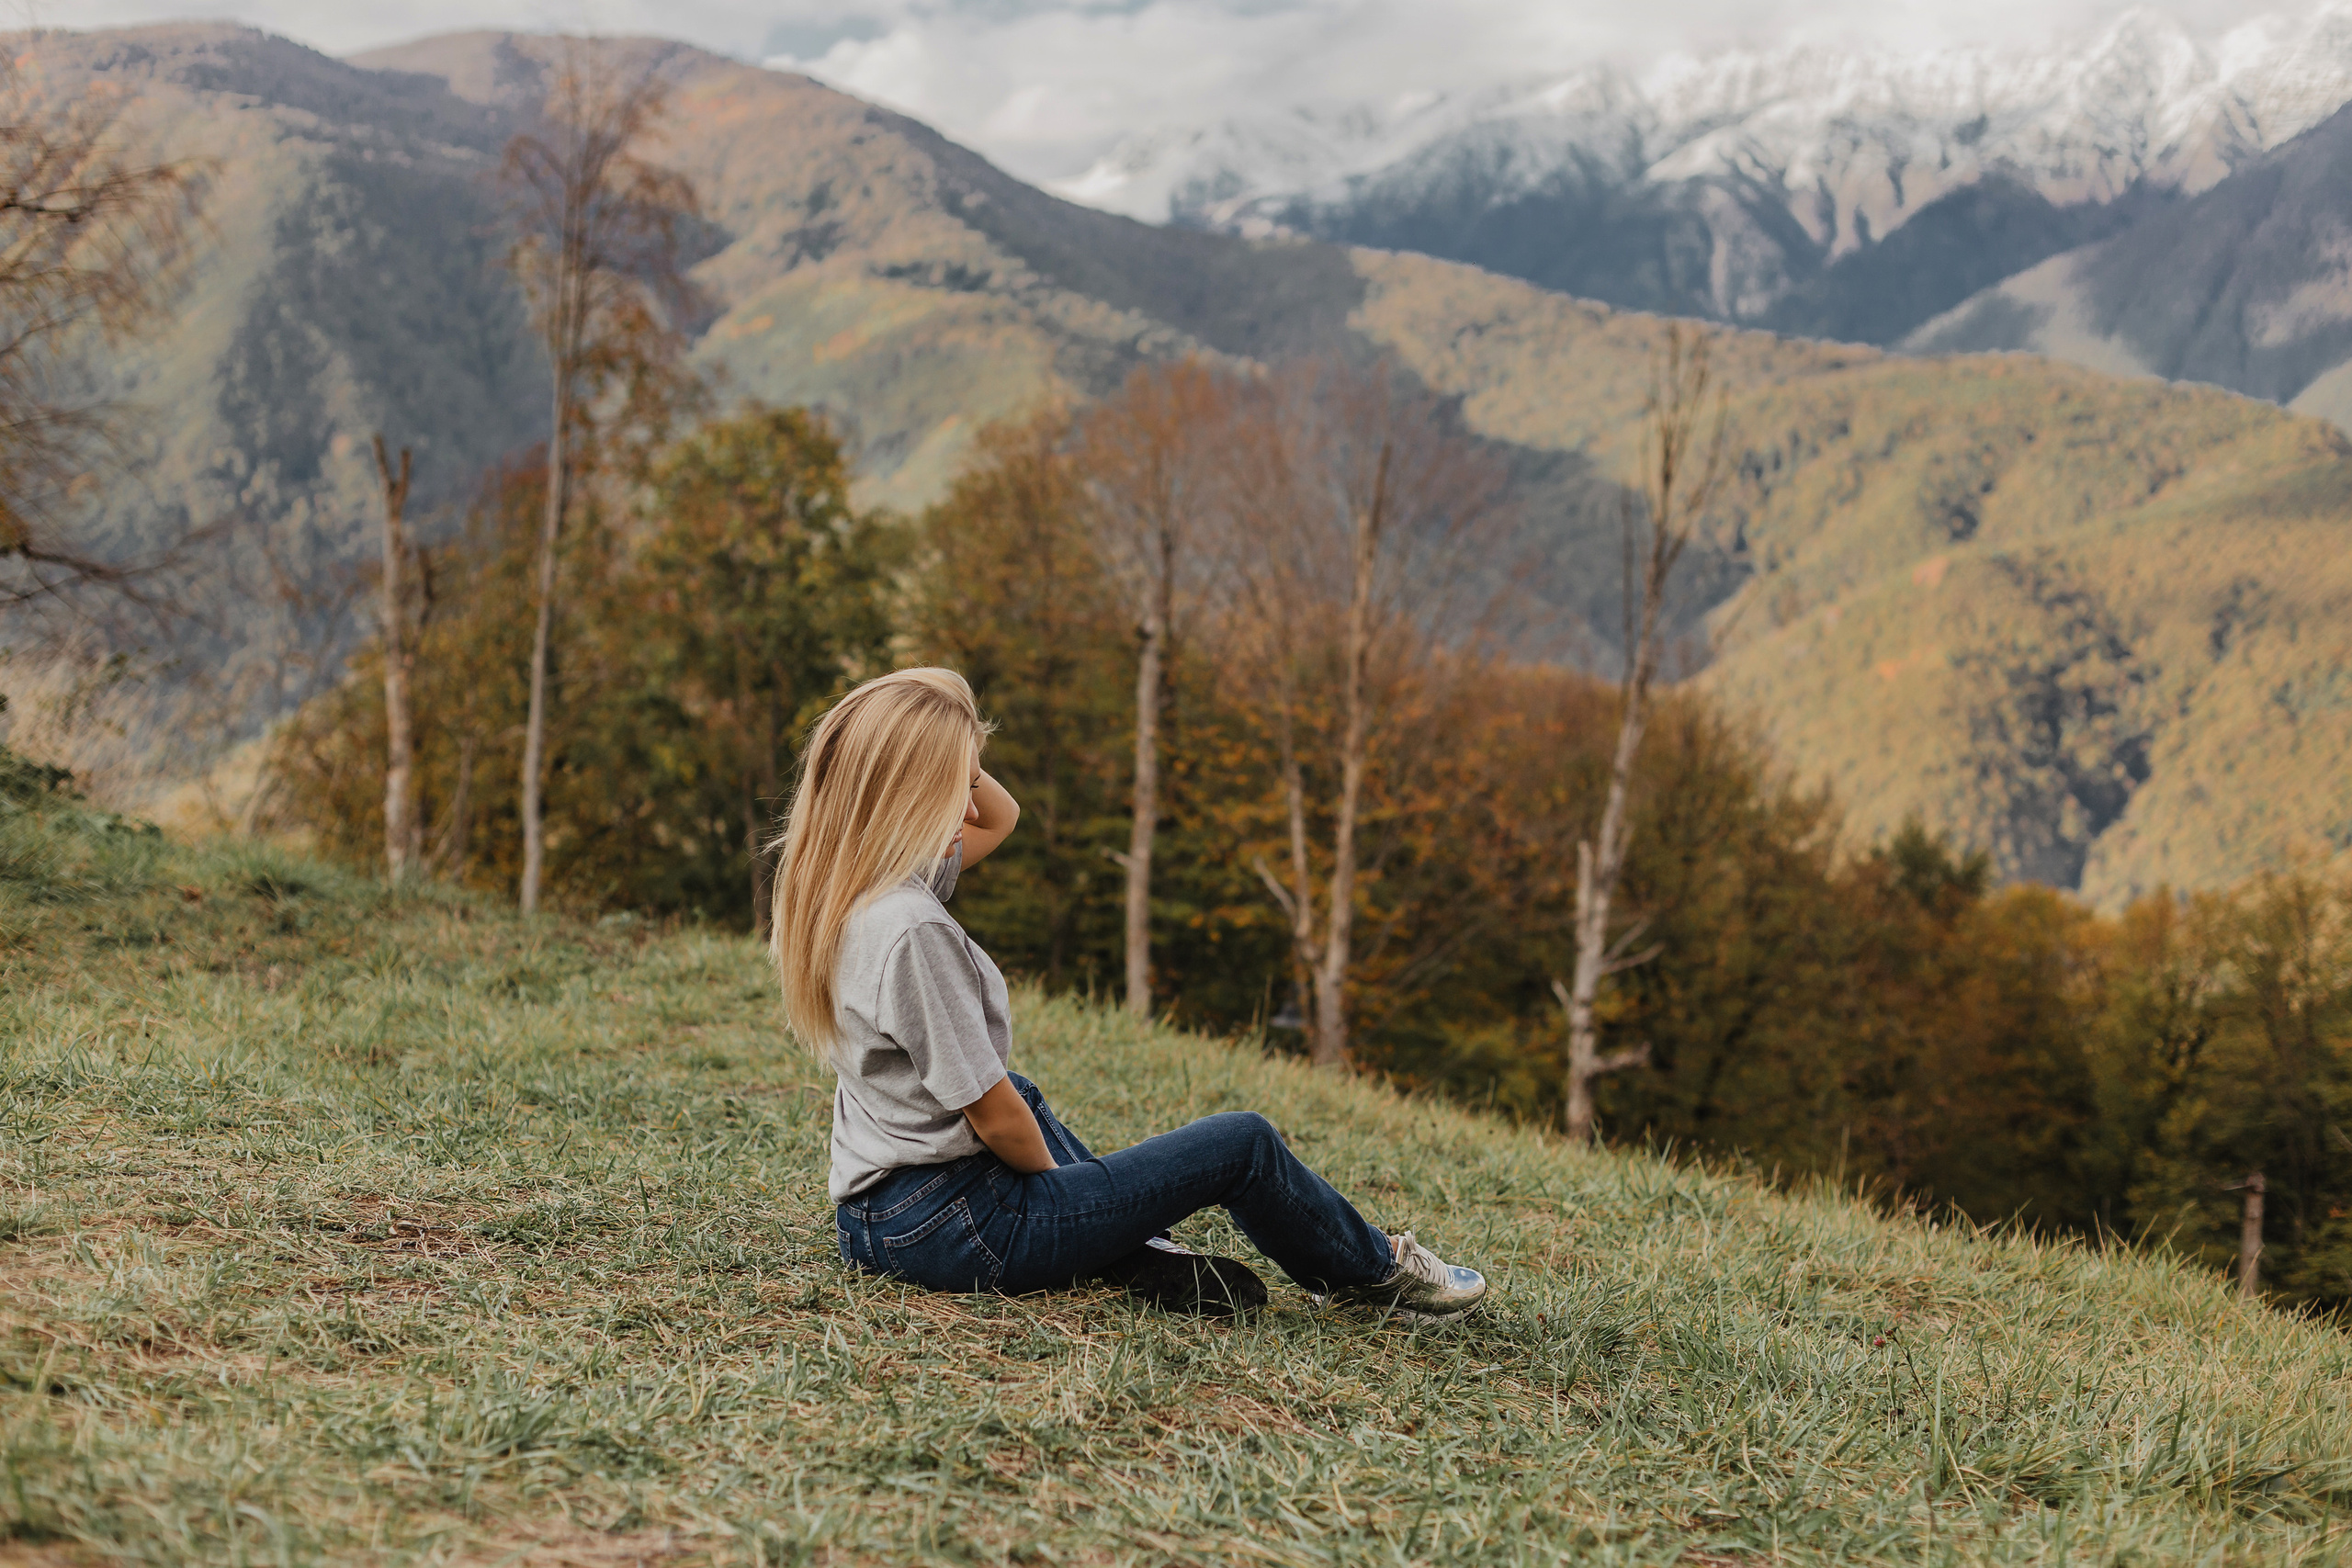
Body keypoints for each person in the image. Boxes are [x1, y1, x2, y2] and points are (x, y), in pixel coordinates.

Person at [770, 667, 1488, 1318]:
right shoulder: (911, 929)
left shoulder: (849, 893)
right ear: (918, 793)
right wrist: (1076, 1203)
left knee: (1022, 1088)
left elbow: (1003, 818)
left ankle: (1136, 1253)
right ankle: (1375, 1273)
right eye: (959, 781)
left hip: (879, 1218)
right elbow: (994, 1120)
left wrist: (951, 728)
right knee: (1243, 1143)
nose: (971, 798)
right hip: (956, 1227)